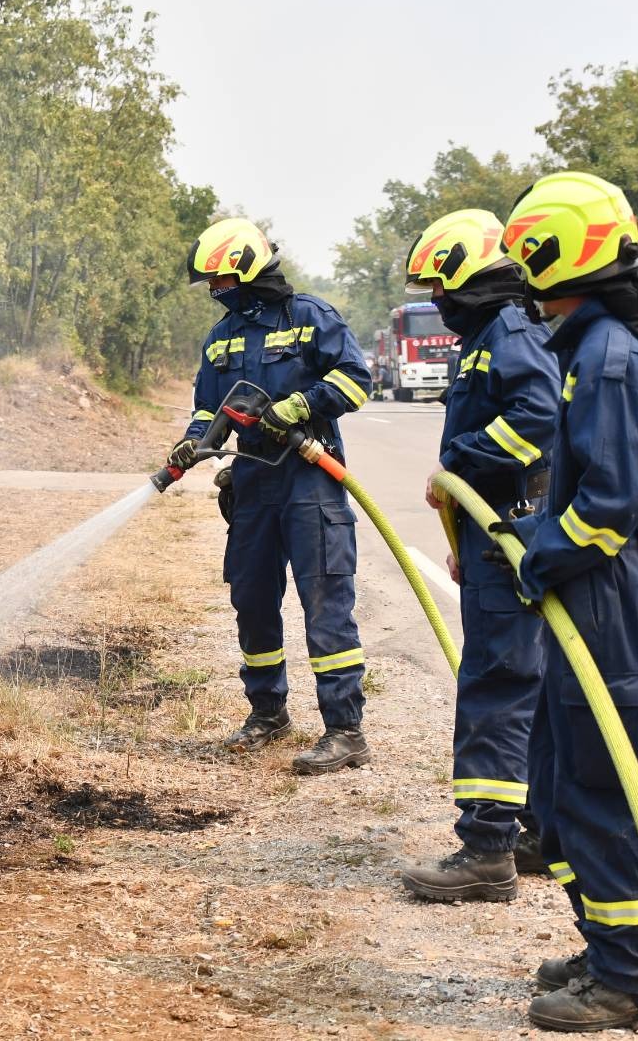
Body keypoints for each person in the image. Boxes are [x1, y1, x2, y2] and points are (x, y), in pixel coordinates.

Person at [496, 172, 638, 1031]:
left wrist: (539, 552)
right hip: (607, 589)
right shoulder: (602, 343)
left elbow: (611, 505)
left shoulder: (607, 357)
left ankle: (629, 977)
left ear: (555, 252)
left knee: (602, 786)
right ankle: (609, 946)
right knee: (570, 780)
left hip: (604, 594)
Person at [167, 217, 374, 773]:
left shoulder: (310, 317)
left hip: (310, 480)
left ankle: (345, 730)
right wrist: (193, 444)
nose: (216, 293)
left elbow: (357, 378)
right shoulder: (220, 338)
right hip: (252, 482)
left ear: (247, 270)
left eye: (221, 282)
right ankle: (267, 713)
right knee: (252, 599)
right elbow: (209, 410)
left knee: (325, 603)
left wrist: (302, 406)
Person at [395, 210, 559, 903]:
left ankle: (488, 847)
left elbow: (537, 419)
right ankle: (537, 831)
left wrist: (458, 464)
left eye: (441, 287)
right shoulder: (486, 339)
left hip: (512, 538)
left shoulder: (510, 337)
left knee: (495, 686)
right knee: (531, 687)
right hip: (494, 539)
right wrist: (463, 536)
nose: (436, 302)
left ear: (472, 276)